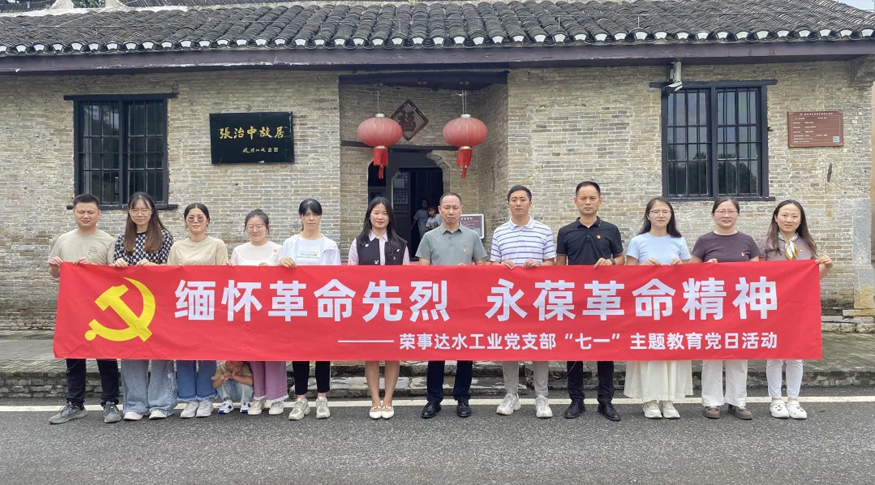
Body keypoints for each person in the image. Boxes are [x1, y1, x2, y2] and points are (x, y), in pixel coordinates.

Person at [47, 194, 120, 425]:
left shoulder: (109, 241)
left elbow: (115, 276)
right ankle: (74, 404)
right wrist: (54, 267)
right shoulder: (63, 240)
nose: (85, 216)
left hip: (102, 308)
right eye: (81, 212)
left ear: (99, 214)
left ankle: (110, 402)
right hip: (73, 308)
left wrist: (93, 269)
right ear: (74, 213)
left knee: (106, 356)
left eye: (90, 212)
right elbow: (55, 274)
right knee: (74, 356)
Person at [556, 181, 624, 422]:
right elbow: (560, 265)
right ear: (575, 201)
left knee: (605, 351)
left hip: (603, 299)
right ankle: (576, 400)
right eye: (583, 198)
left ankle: (606, 401)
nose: (587, 202)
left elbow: (621, 259)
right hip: (575, 300)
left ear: (600, 201)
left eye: (592, 198)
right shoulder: (565, 231)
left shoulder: (611, 229)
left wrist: (611, 263)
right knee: (574, 350)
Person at [758, 200, 833, 420]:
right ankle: (776, 400)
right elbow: (756, 275)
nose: (789, 220)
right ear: (776, 217)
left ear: (800, 220)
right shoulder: (765, 243)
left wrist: (826, 267)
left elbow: (812, 278)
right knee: (774, 354)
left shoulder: (807, 243)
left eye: (794, 216)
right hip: (773, 305)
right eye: (784, 215)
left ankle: (794, 400)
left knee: (796, 354)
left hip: (799, 306)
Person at [417, 192, 487, 419]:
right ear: (439, 210)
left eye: (455, 207)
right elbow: (423, 270)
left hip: (465, 303)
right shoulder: (429, 237)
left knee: (465, 351)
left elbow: (482, 266)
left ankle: (463, 397)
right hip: (438, 303)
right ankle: (433, 399)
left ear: (461, 209)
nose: (450, 211)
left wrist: (469, 272)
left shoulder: (472, 236)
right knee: (436, 351)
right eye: (446, 207)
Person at [690, 197, 761, 420]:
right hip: (713, 306)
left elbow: (758, 273)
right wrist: (705, 268)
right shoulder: (704, 240)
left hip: (740, 306)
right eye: (721, 211)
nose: (726, 215)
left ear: (738, 214)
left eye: (731, 211)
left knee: (739, 353)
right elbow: (690, 273)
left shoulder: (747, 241)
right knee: (712, 354)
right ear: (714, 214)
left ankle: (737, 402)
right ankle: (711, 402)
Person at [623, 197, 692, 419]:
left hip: (672, 306)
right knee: (649, 351)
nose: (661, 215)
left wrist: (680, 267)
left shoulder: (678, 241)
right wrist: (643, 268)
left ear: (671, 215)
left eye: (665, 211)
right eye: (656, 211)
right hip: (646, 306)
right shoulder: (638, 241)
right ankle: (650, 400)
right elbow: (627, 274)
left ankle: (669, 399)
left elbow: (690, 275)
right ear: (648, 215)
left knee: (671, 349)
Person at [491, 185, 556, 418]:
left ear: (530, 202)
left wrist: (538, 266)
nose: (518, 203)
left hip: (537, 299)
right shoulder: (500, 232)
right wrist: (502, 266)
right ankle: (511, 394)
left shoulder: (543, 230)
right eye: (514, 199)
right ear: (508, 203)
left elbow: (551, 262)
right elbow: (493, 264)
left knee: (539, 346)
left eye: (522, 199)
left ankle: (541, 396)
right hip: (509, 299)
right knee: (510, 346)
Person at [110, 192, 175, 421]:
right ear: (129, 212)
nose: (140, 214)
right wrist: (117, 264)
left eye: (144, 209)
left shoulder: (164, 237)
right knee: (131, 353)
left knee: (160, 354)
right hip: (130, 304)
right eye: (135, 209)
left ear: (152, 211)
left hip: (158, 303)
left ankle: (161, 403)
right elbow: (113, 273)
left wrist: (156, 267)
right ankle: (135, 404)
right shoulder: (121, 239)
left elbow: (173, 268)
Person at [279, 198, 341, 421]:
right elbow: (277, 274)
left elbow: (336, 276)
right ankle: (301, 399)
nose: (311, 218)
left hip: (321, 305)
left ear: (320, 216)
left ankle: (322, 397)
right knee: (300, 353)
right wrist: (281, 263)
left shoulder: (329, 245)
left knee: (323, 352)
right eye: (306, 214)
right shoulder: (290, 244)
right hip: (297, 305)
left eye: (314, 214)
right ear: (301, 217)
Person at [348, 197, 410, 419]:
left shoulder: (400, 244)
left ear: (390, 217)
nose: (380, 217)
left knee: (393, 354)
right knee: (371, 354)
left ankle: (388, 400)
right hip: (368, 309)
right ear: (369, 215)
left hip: (393, 307)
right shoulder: (358, 242)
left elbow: (407, 279)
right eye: (376, 212)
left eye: (384, 213)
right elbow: (351, 277)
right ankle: (375, 401)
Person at [168, 203, 229, 418]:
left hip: (208, 304)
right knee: (184, 352)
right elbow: (169, 277)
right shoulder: (177, 247)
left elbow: (223, 276)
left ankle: (205, 397)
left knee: (206, 352)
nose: (195, 221)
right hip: (184, 304)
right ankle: (188, 399)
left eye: (200, 217)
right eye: (191, 217)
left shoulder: (217, 245)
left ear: (207, 220)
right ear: (185, 221)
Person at [229, 209, 287, 416]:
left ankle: (277, 398)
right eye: (250, 227)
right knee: (255, 354)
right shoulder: (239, 251)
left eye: (259, 226)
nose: (255, 230)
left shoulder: (279, 249)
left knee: (273, 354)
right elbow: (231, 281)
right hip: (249, 310)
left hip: (272, 309)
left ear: (267, 228)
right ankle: (259, 396)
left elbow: (287, 278)